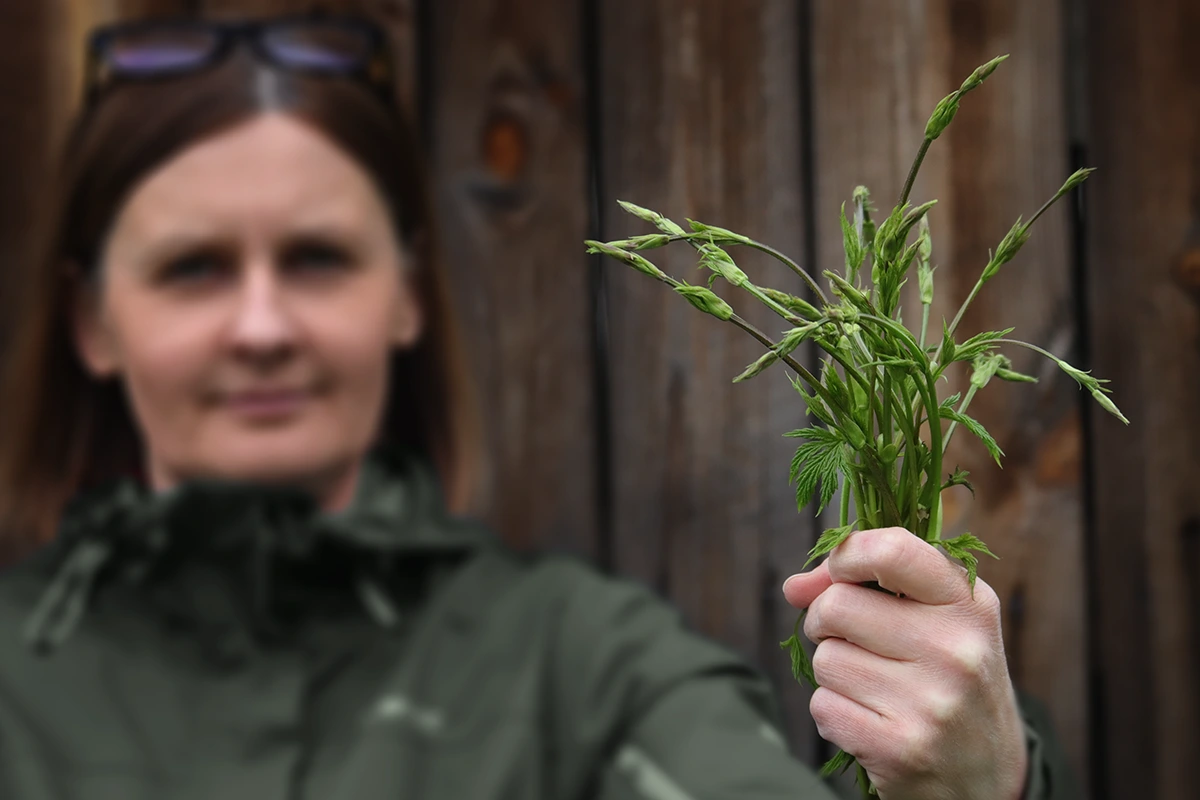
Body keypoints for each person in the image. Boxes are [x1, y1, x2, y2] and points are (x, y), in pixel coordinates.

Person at [0, 13, 1078, 800]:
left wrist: (978, 790)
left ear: (408, 296)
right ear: (92, 320)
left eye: (318, 258)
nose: (262, 323)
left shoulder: (586, 667)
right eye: (192, 267)